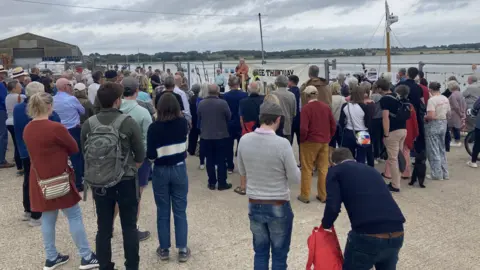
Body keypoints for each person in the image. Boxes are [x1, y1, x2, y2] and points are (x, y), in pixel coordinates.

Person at [23, 92, 99, 270]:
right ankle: (86, 256)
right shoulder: (55, 127)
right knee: (74, 215)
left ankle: (51, 257)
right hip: (59, 176)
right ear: (49, 106)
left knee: (48, 218)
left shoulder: (28, 128)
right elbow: (73, 147)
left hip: (40, 178)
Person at [81, 82, 145, 270]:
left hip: (99, 181)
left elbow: (84, 153)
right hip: (125, 180)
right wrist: (129, 168)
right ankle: (132, 266)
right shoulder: (128, 121)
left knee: (104, 228)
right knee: (129, 227)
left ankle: (105, 266)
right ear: (118, 100)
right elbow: (140, 154)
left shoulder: (89, 124)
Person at [237, 100, 300, 270]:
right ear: (278, 119)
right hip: (278, 203)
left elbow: (241, 169)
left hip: (255, 202)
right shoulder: (282, 144)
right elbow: (295, 178)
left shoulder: (244, 140)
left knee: (260, 251)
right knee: (279, 254)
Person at [322, 148, 405, 270]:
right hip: (397, 233)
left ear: (332, 163)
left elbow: (333, 206)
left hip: (367, 236)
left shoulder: (335, 171)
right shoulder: (372, 170)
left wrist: (325, 225)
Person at [147, 92, 191, 262]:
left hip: (160, 170)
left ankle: (164, 248)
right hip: (179, 168)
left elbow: (150, 154)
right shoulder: (183, 124)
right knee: (180, 210)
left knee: (163, 210)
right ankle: (182, 248)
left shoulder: (154, 127)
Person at [14, 82, 61, 227]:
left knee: (28, 180)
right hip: (40, 152)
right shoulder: (40, 111)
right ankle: (36, 214)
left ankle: (28, 209)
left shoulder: (17, 108)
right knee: (38, 181)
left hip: (23, 149)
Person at [119, 77, 154, 241]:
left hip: (117, 159)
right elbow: (148, 137)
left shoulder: (115, 109)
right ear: (137, 91)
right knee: (136, 196)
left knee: (116, 194)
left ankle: (110, 226)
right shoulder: (142, 112)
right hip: (137, 160)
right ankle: (132, 229)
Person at [298, 86, 336, 204]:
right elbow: (333, 125)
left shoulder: (306, 108)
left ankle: (305, 195)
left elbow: (304, 128)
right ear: (317, 95)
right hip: (324, 141)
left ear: (306, 96)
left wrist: (302, 140)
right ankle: (323, 195)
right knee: (323, 169)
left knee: (307, 168)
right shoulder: (326, 107)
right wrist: (328, 137)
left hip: (309, 141)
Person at [197, 84, 232, 190]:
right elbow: (229, 117)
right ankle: (222, 183)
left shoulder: (201, 103)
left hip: (206, 136)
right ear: (218, 91)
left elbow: (199, 117)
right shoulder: (223, 103)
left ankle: (211, 182)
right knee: (221, 160)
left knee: (210, 160)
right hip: (221, 136)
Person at [53, 78, 85, 191]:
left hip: (58, 130)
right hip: (73, 129)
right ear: (66, 87)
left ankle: (61, 182)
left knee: (60, 156)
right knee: (76, 155)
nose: (71, 87)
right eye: (70, 85)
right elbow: (82, 111)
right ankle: (78, 183)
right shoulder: (72, 99)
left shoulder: (52, 99)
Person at [380, 84, 410, 192]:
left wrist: (386, 133)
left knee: (392, 159)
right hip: (403, 130)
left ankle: (395, 185)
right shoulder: (405, 101)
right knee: (399, 156)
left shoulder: (386, 100)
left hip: (393, 132)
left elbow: (385, 117)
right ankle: (397, 180)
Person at [425, 82, 451, 181]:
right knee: (441, 148)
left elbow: (431, 115)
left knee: (433, 149)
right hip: (443, 124)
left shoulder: (431, 100)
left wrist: (425, 117)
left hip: (434, 125)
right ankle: (445, 173)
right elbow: (449, 113)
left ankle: (436, 174)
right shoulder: (445, 98)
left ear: (430, 89)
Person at [339, 86, 371, 164]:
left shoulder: (345, 106)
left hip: (348, 132)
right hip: (363, 133)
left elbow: (341, 122)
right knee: (362, 155)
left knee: (349, 156)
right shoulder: (365, 107)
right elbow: (368, 123)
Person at [223, 76, 248, 174]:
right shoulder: (245, 95)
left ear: (229, 85)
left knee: (228, 146)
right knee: (242, 146)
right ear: (238, 84)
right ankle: (242, 166)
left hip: (229, 123)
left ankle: (230, 166)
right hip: (241, 123)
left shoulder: (225, 96)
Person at [397, 67, 425, 152]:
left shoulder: (400, 85)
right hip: (415, 113)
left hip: (402, 113)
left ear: (407, 74)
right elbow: (422, 103)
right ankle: (414, 151)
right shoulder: (418, 87)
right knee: (414, 134)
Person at [5, 80, 26, 175]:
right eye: (19, 86)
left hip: (9, 122)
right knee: (21, 144)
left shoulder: (7, 97)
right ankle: (22, 165)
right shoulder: (20, 97)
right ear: (14, 88)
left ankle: (19, 166)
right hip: (16, 121)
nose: (21, 88)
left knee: (16, 144)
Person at [272, 75, 297, 142]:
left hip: (274, 128)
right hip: (287, 128)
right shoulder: (292, 95)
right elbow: (294, 113)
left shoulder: (272, 94)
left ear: (276, 83)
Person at [0, 67, 14, 169]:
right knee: (2, 135)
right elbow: (4, 99)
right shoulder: (1, 85)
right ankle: (1, 160)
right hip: (1, 111)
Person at [447, 80, 466, 147]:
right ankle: (457, 140)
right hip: (460, 112)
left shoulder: (453, 95)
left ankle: (456, 141)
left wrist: (460, 113)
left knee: (454, 127)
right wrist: (462, 113)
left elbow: (455, 106)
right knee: (457, 127)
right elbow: (463, 104)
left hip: (454, 113)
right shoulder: (460, 93)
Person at [187, 84, 201, 156]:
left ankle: (191, 149)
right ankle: (200, 150)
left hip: (192, 118)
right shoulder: (200, 99)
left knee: (192, 135)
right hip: (199, 119)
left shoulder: (190, 99)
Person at [288, 75, 301, 146]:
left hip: (290, 120)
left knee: (289, 143)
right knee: (301, 144)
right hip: (300, 120)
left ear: (291, 82)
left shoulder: (288, 93)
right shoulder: (301, 92)